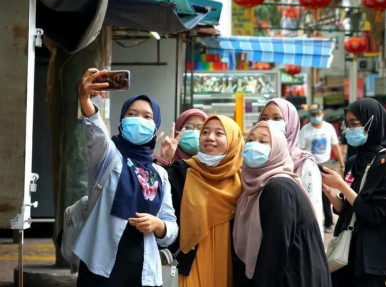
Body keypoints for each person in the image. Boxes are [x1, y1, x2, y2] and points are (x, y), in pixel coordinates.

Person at [74, 68, 178, 287]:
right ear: (121, 122)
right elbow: (96, 131)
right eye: (131, 114)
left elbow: (171, 227)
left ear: (155, 127)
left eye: (147, 116)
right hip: (100, 267)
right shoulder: (109, 156)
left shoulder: (159, 174)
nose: (138, 120)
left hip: (144, 271)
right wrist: (85, 99)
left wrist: (157, 225)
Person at [321, 98, 386, 286]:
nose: (349, 129)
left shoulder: (385, 162)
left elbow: (375, 214)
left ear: (372, 122)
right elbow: (346, 207)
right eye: (347, 124)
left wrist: (342, 185)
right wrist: (329, 191)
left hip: (374, 252)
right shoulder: (353, 161)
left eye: (355, 124)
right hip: (346, 249)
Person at [233, 121, 331, 287]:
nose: (253, 146)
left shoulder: (278, 188)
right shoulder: (253, 190)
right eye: (250, 140)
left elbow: (275, 252)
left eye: (263, 142)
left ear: (278, 150)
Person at [161, 114, 244, 287]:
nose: (210, 137)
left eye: (219, 133)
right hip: (190, 263)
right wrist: (164, 161)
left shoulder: (243, 181)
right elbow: (158, 201)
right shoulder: (182, 171)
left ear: (233, 141)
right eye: (205, 132)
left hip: (228, 263)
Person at [258, 98, 323, 234]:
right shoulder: (256, 160)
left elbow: (314, 215)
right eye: (264, 118)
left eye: (277, 118)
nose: (269, 123)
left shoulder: (304, 165)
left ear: (291, 124)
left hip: (293, 248)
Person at [298, 103, 345, 233]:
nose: (316, 116)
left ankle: (328, 222)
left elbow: (335, 146)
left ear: (322, 114)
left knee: (327, 193)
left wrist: (341, 164)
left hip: (326, 164)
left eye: (318, 114)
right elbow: (300, 150)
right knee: (310, 192)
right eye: (313, 114)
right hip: (310, 166)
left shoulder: (329, 128)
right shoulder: (305, 130)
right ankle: (310, 221)